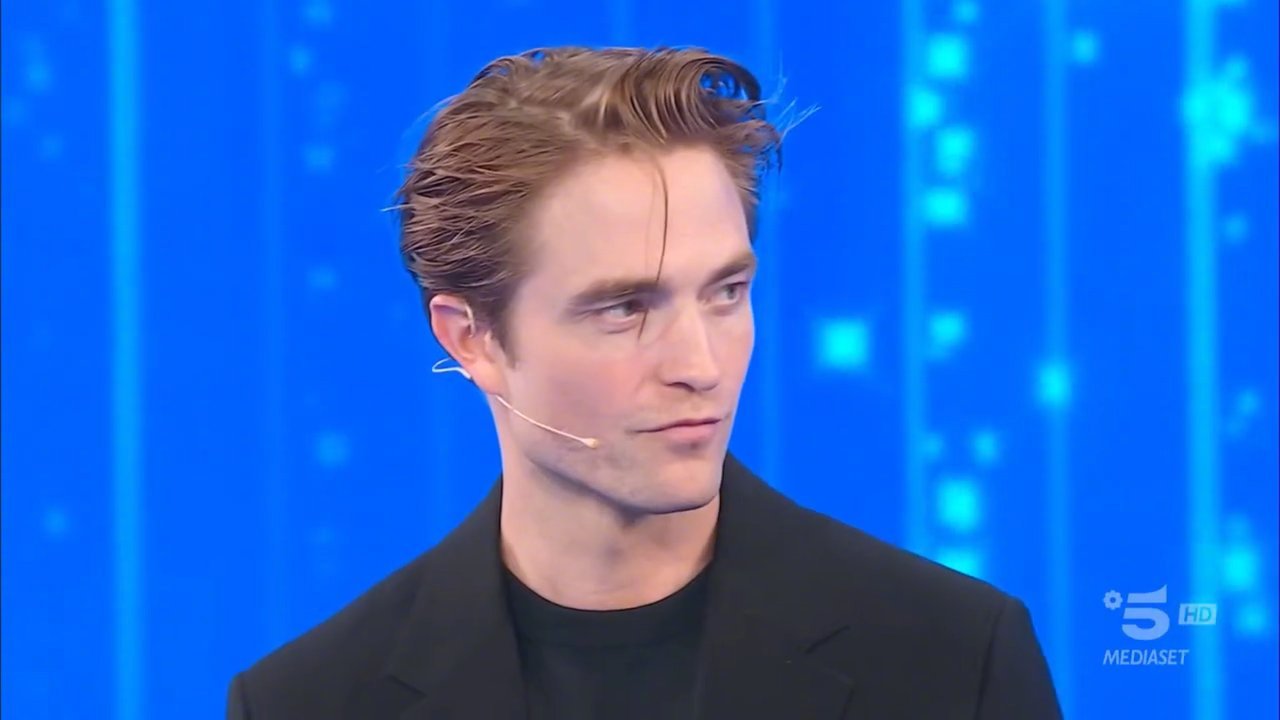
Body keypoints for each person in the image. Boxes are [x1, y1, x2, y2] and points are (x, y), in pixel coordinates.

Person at [226, 46, 1062, 719]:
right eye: (626, 308)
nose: (700, 366)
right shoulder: (310, 701)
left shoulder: (954, 659)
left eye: (726, 293)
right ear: (470, 337)